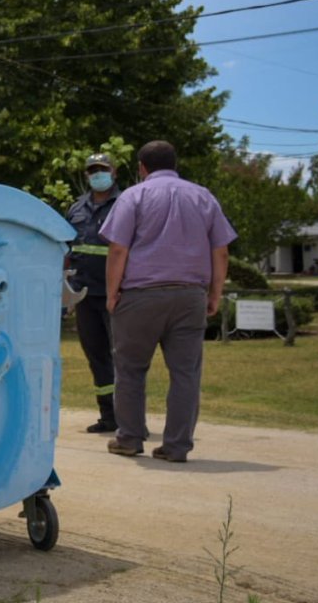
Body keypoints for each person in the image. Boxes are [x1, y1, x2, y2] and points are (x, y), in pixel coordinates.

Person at [100, 140, 236, 463]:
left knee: (130, 369)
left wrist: (112, 293)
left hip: (140, 296)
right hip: (189, 296)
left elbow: (118, 250)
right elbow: (221, 251)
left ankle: (130, 438)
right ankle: (176, 445)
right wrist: (214, 294)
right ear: (175, 164)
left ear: (142, 167)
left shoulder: (133, 196)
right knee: (185, 373)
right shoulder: (203, 196)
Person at [65, 153, 122, 434]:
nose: (98, 174)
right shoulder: (77, 208)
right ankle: (108, 417)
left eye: (103, 169)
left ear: (114, 172)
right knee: (96, 356)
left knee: (123, 357)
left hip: (116, 294)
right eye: (93, 170)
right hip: (84, 295)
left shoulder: (126, 205)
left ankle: (129, 417)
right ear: (87, 175)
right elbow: (66, 250)